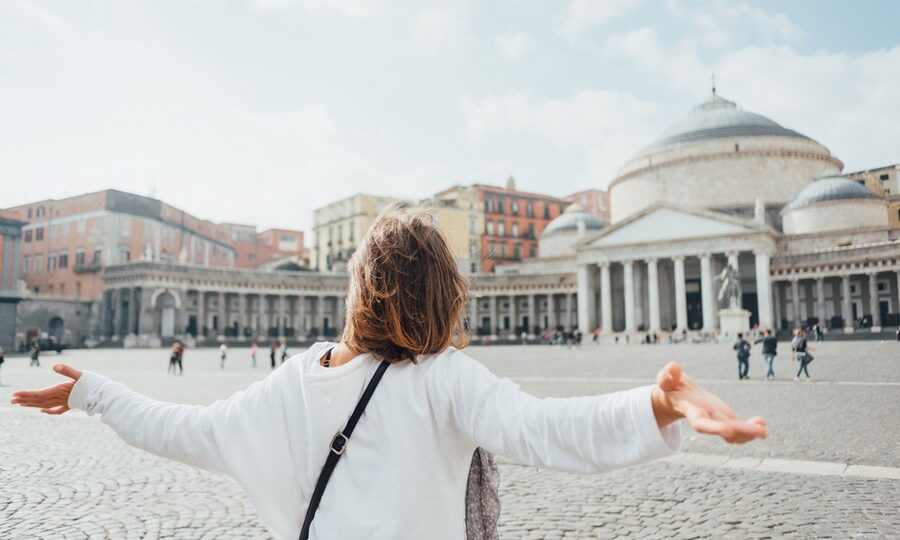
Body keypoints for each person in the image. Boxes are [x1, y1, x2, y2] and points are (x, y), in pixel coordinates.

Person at [11, 210, 767, 540]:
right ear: (442, 296)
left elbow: (180, 428)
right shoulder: (444, 378)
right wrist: (657, 406)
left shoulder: (291, 383)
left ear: (358, 289)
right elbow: (545, 432)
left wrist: (91, 391)